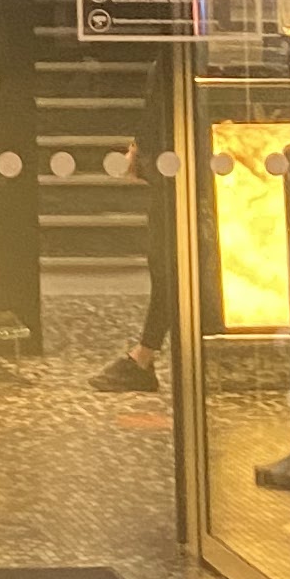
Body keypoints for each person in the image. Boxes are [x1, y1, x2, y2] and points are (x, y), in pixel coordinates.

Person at [94, 49, 180, 396]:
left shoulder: (172, 49)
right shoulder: (171, 50)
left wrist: (140, 148)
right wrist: (140, 147)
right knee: (165, 259)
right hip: (169, 156)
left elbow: (160, 96)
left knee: (166, 260)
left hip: (174, 157)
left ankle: (144, 356)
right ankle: (145, 355)